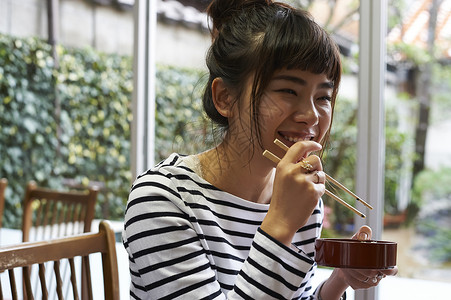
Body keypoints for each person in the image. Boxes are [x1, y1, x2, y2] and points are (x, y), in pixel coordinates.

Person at [122, 0, 398, 299]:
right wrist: (280, 223)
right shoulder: (162, 199)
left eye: (323, 97)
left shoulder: (300, 197)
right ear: (225, 97)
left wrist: (339, 281)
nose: (312, 116)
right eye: (288, 91)